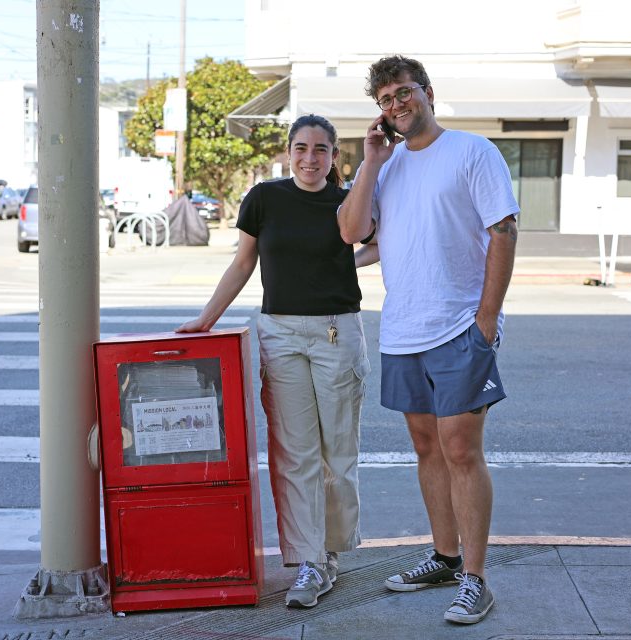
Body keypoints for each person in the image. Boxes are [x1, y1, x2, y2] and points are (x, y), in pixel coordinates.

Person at [339, 55, 519, 625]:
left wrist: (486, 319)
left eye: (404, 92)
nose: (397, 105)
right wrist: (369, 161)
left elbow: (504, 231)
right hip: (403, 330)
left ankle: (475, 576)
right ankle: (443, 555)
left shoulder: (472, 151)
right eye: (386, 100)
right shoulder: (386, 167)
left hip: (460, 324)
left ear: (428, 92)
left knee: (461, 450)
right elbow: (352, 233)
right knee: (425, 449)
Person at [177, 114, 371, 609]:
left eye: (321, 149)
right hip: (280, 333)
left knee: (337, 453)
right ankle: (308, 561)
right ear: (288, 151)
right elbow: (244, 261)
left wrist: (340, 261)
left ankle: (330, 552)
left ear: (334, 155)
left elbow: (374, 242)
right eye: (301, 148)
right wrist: (206, 318)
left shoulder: (349, 200)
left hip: (336, 331)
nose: (310, 158)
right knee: (293, 452)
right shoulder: (264, 198)